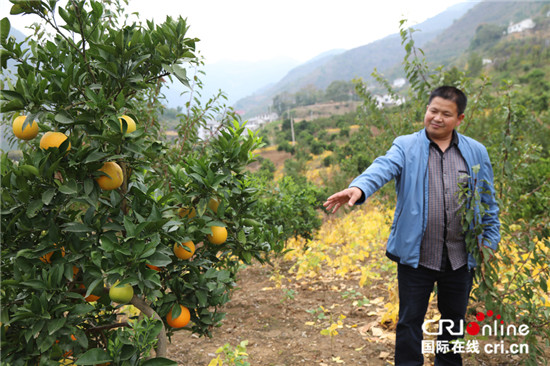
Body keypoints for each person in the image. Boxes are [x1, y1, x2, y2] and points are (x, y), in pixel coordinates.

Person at [323, 86, 500, 366]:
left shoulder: (476, 152)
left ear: (460, 119)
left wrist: (488, 243)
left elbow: (488, 201)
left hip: (460, 257)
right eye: (433, 111)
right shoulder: (406, 146)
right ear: (426, 110)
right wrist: (358, 187)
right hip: (416, 256)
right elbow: (382, 167)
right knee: (409, 322)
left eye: (446, 114)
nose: (437, 118)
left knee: (453, 324)